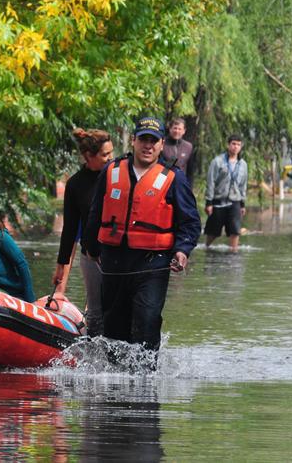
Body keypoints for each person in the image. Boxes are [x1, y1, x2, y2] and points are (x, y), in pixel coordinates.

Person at [84, 116, 201, 351]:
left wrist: (182, 250)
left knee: (147, 322)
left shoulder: (174, 178)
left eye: (153, 141)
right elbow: (96, 213)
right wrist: (91, 248)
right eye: (143, 140)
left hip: (152, 264)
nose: (148, 146)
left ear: (161, 144)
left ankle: (146, 373)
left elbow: (190, 223)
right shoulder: (111, 171)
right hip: (114, 261)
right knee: (114, 328)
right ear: (133, 141)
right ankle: (114, 373)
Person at [51, 128, 114, 336]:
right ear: (88, 156)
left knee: (117, 310)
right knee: (95, 314)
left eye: (111, 152)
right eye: (105, 154)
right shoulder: (75, 184)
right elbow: (69, 230)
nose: (110, 158)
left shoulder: (118, 176)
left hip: (118, 254)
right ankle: (94, 353)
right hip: (91, 256)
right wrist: (61, 267)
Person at [203, 134, 248, 253]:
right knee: (213, 231)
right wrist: (209, 202)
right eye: (233, 144)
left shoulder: (243, 164)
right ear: (228, 145)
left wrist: (242, 204)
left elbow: (243, 185)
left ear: (241, 147)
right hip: (219, 200)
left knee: (235, 231)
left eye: (238, 145)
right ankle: (207, 249)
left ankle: (233, 254)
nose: (235, 147)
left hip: (235, 201)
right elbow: (211, 181)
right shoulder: (217, 161)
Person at [161, 118, 196, 186]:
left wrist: (189, 188)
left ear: (184, 131)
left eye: (179, 129)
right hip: (164, 183)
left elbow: (190, 172)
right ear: (170, 129)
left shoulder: (188, 147)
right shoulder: (162, 144)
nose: (177, 131)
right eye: (175, 128)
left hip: (181, 185)